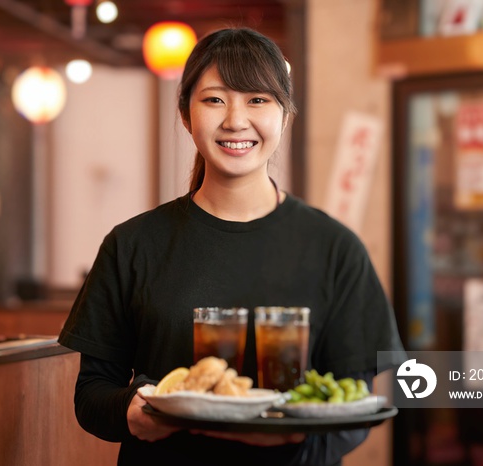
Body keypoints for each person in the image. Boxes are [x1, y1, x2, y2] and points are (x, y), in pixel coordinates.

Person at [58, 27, 406, 466]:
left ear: (285, 115)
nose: (236, 120)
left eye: (257, 99)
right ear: (186, 114)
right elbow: (92, 394)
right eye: (215, 99)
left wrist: (293, 447)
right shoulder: (132, 245)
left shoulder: (334, 248)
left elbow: (357, 399)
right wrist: (132, 412)